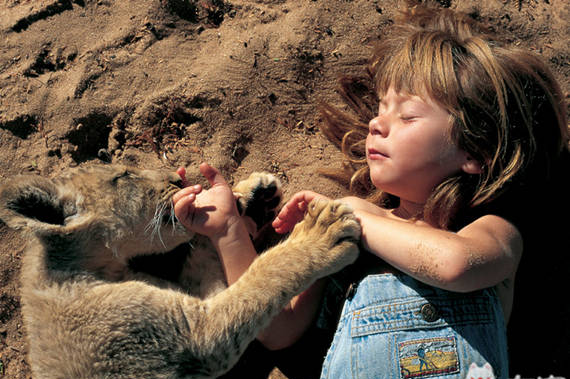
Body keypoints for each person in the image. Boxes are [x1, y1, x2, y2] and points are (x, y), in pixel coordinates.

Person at [173, 5, 568, 379]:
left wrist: (352, 218)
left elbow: (454, 265)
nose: (377, 124)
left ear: (475, 151)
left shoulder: (493, 231)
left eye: (407, 115)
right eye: (380, 110)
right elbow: (278, 329)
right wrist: (229, 232)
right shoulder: (348, 223)